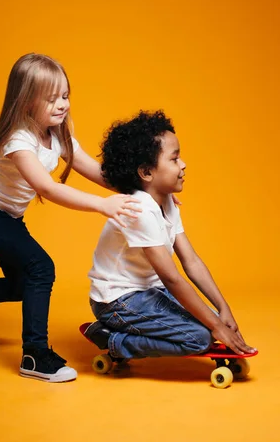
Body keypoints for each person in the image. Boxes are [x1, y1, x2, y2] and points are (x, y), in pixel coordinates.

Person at [0, 53, 140, 383]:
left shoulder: (58, 136)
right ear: (25, 101)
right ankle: (34, 354)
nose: (62, 105)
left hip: (8, 217)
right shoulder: (19, 140)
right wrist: (103, 206)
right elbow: (46, 188)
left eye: (65, 96)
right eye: (51, 99)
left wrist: (146, 188)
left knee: (24, 283)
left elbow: (101, 174)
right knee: (41, 268)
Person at [84, 110, 257, 361]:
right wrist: (217, 326)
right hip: (117, 301)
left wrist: (222, 308)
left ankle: (128, 334)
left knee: (210, 323)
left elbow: (191, 262)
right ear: (146, 172)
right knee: (200, 337)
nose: (183, 164)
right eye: (174, 159)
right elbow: (172, 278)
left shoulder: (166, 201)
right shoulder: (139, 210)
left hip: (150, 291)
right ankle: (112, 340)